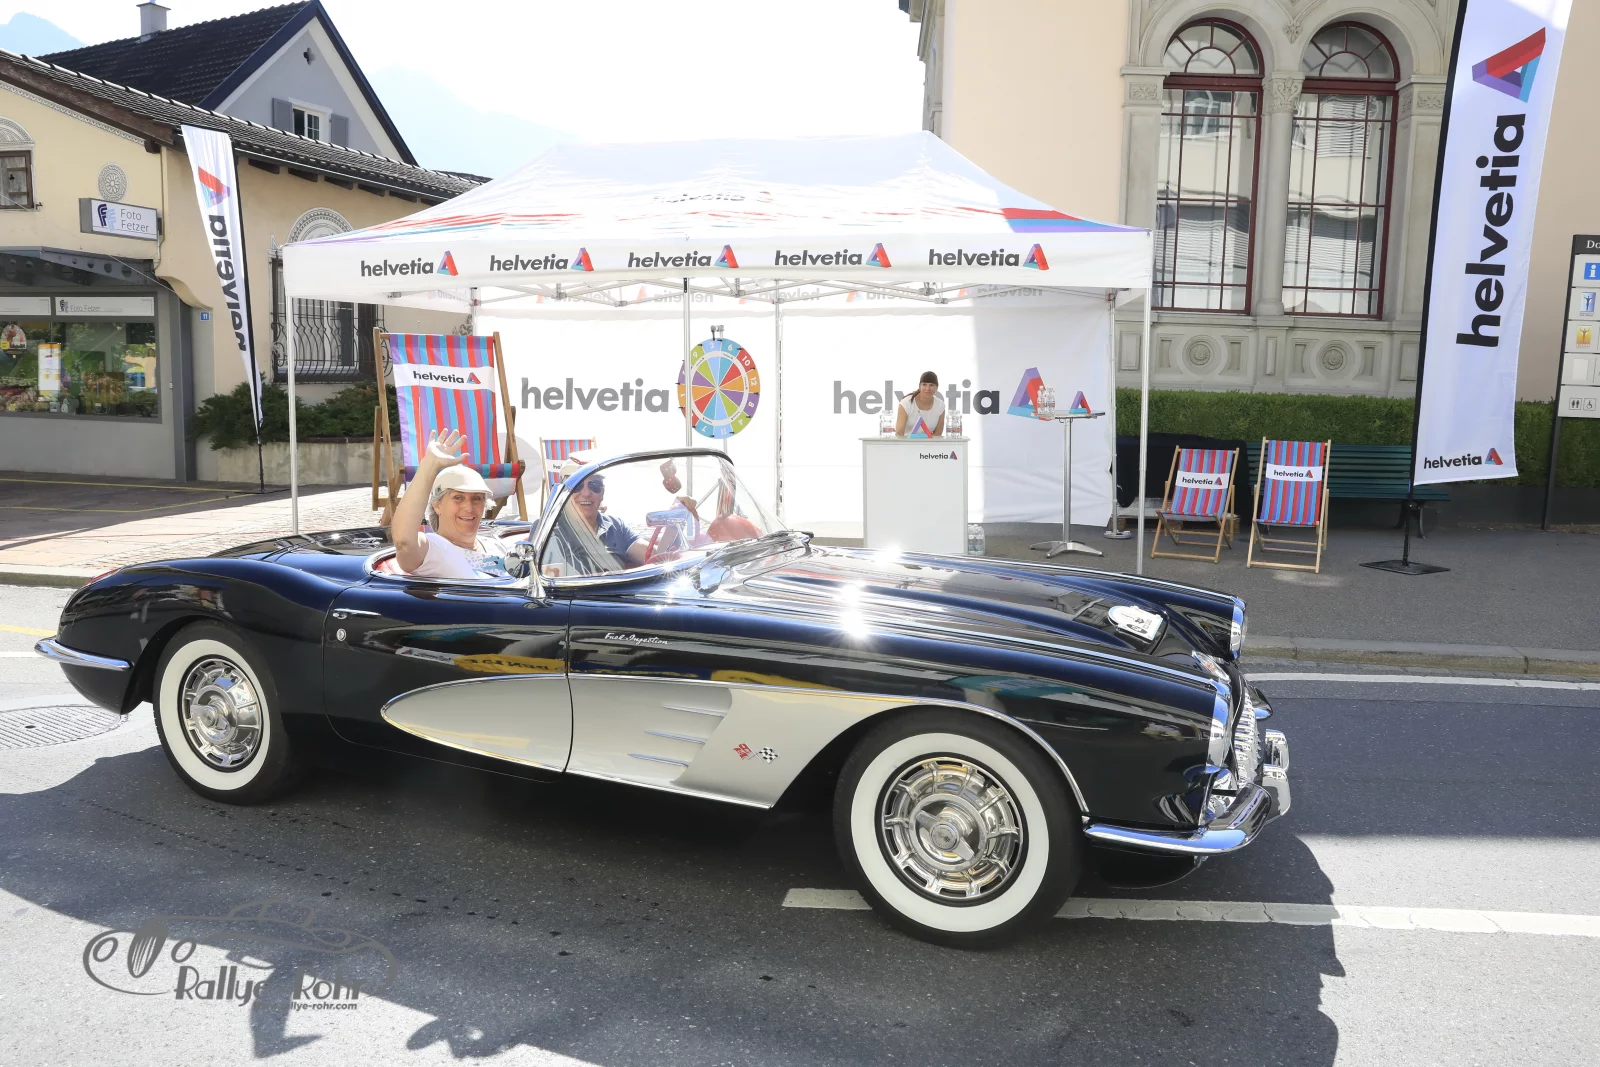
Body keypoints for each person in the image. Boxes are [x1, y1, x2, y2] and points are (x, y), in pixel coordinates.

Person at [391, 428, 509, 579]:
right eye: (458, 498)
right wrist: (429, 464)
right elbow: (404, 542)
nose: (469, 507)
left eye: (476, 498)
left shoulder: (496, 545)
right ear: (437, 505)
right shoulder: (433, 550)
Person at [895, 370, 946, 438]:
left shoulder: (940, 405)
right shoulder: (906, 403)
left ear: (936, 388)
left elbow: (938, 434)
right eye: (924, 384)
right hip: (907, 443)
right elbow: (899, 433)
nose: (927, 388)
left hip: (929, 444)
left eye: (931, 385)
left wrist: (923, 441)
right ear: (919, 386)